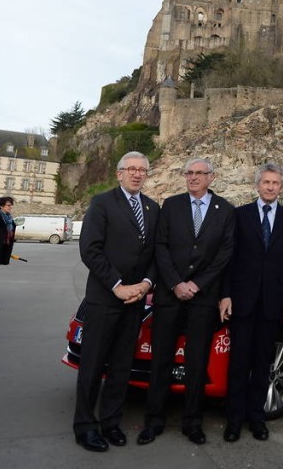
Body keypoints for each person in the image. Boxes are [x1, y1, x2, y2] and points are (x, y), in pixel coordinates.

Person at [139, 158, 235, 446]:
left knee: (196, 363)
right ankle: (153, 421)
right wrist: (175, 283)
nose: (193, 178)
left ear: (211, 177)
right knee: (161, 360)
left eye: (199, 173)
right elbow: (161, 246)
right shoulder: (171, 205)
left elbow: (225, 254)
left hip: (203, 299)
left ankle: (192, 422)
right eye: (189, 173)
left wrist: (196, 284)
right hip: (170, 296)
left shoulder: (226, 211)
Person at [73, 152, 158, 452]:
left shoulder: (152, 207)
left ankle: (111, 422)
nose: (136, 174)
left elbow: (154, 254)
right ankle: (85, 426)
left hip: (135, 301)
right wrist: (118, 285)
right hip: (105, 299)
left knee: (122, 365)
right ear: (118, 174)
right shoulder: (102, 203)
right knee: (93, 364)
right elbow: (90, 249)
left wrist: (146, 284)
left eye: (142, 170)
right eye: (130, 169)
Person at [220, 164, 283, 443]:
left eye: (275, 183)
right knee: (239, 363)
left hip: (273, 304)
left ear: (281, 187)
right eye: (266, 182)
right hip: (242, 303)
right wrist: (226, 294)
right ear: (257, 185)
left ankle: (256, 418)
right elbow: (228, 259)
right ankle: (234, 419)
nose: (270, 187)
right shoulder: (239, 215)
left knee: (263, 363)